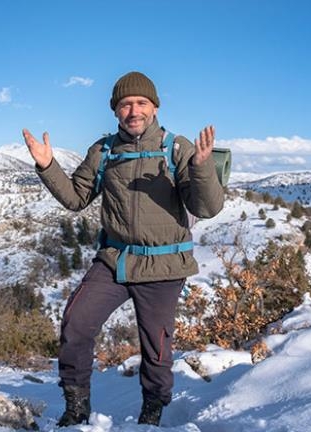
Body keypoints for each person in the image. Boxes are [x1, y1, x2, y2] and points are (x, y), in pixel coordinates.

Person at [22, 71, 224, 427]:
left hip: (165, 265)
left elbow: (207, 208)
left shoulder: (177, 149)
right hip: (115, 260)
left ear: (155, 107)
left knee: (156, 346)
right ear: (116, 111)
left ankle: (153, 410)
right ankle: (77, 408)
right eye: (125, 104)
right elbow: (75, 198)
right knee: (76, 324)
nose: (134, 110)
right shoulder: (103, 151)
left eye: (141, 103)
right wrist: (47, 166)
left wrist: (201, 166)